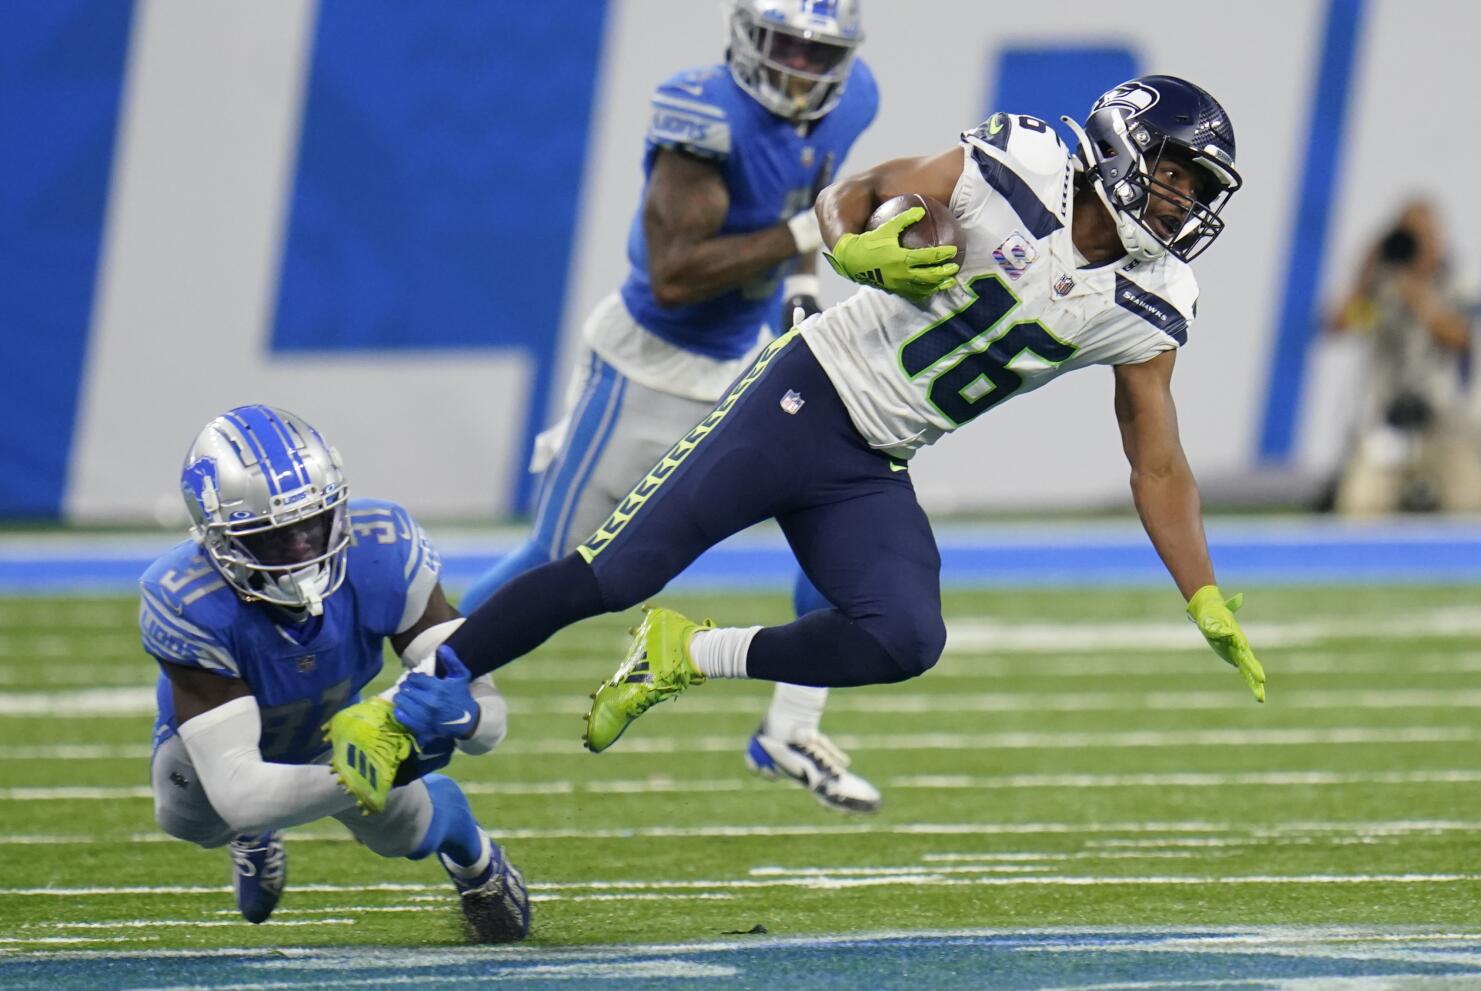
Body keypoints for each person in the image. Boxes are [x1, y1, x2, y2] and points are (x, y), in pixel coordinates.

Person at [327, 75, 1268, 815]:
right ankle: (405, 704)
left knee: (905, 635)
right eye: (1176, 173)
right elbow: (863, 191)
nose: (1182, 202)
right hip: (802, 395)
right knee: (609, 572)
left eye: (1197, 189)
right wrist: (849, 246)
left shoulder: (1157, 299)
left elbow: (1158, 460)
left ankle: (683, 657)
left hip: (872, 462)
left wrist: (1203, 590)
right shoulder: (1022, 159)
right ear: (1121, 142)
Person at [460, 0, 882, 812]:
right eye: (785, 46)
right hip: (647, 368)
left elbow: (810, 197)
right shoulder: (703, 114)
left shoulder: (855, 96)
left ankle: (791, 726)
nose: (800, 68)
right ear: (748, 37)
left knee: (844, 523)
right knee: (557, 564)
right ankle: (419, 686)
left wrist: (799, 294)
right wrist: (805, 241)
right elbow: (676, 273)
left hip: (744, 365)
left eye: (816, 51)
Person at [142, 404, 529, 941]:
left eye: (313, 524)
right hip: (231, 745)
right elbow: (238, 791)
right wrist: (371, 770)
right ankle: (253, 837)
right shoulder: (186, 597)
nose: (302, 549)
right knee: (192, 820)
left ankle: (475, 860)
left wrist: (464, 714)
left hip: (336, 721)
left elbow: (490, 723)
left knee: (406, 831)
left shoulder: (383, 549)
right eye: (273, 537)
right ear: (219, 540)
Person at [1327, 198, 1481, 514]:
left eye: (1425, 235)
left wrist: (1415, 288)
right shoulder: (1382, 287)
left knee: (1471, 504)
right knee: (1360, 505)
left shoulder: (1458, 284)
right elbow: (1339, 326)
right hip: (1387, 421)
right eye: (1410, 235)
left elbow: (1456, 337)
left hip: (1445, 422)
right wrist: (1365, 271)